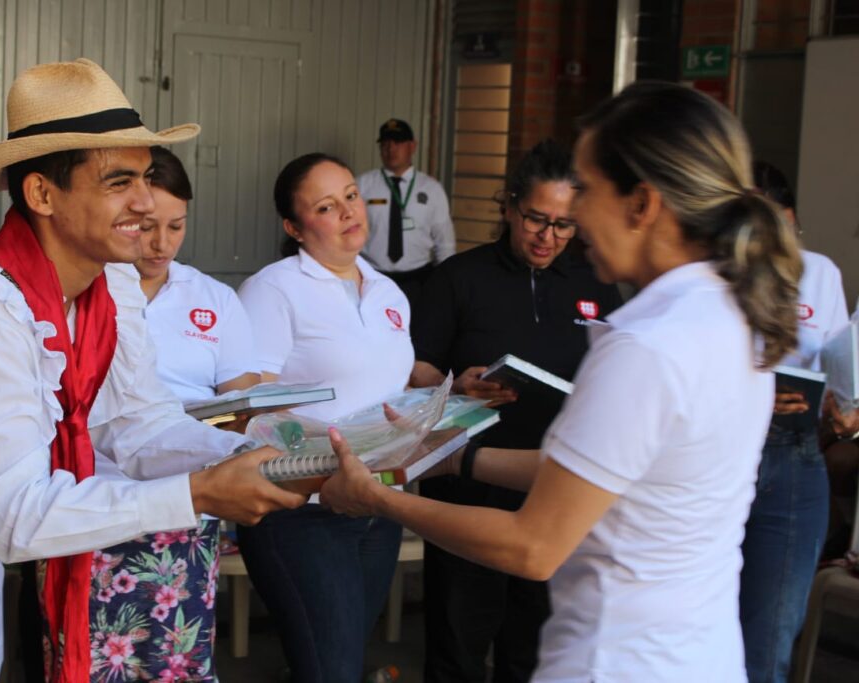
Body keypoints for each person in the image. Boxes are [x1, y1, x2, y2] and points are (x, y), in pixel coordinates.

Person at [0, 58, 303, 683]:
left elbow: (135, 424)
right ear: (42, 194)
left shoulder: (109, 282)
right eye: (118, 181)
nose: (144, 202)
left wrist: (278, 452)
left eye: (144, 176)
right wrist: (198, 493)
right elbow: (16, 515)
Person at [320, 81, 803, 682]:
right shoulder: (730, 315)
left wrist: (376, 498)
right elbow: (612, 472)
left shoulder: (644, 344)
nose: (572, 220)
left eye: (588, 192)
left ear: (642, 204)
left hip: (619, 659)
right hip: (696, 652)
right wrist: (453, 461)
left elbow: (533, 545)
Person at [410, 139, 622, 683]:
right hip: (468, 481)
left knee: (536, 649)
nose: (548, 237)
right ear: (508, 206)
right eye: (535, 219)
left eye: (564, 225)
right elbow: (418, 370)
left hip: (557, 486)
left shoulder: (595, 282)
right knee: (457, 644)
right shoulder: (459, 277)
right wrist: (459, 385)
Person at [236, 152, 413, 682]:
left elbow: (383, 376)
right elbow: (249, 404)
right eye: (326, 206)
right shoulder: (273, 289)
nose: (347, 211)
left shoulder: (387, 291)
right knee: (331, 667)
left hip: (378, 499)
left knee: (338, 658)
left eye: (351, 196)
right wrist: (332, 446)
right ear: (294, 227)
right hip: (303, 506)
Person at [90, 146, 259, 682]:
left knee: (174, 661)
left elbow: (243, 402)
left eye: (176, 226)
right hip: (96, 497)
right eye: (144, 226)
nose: (160, 243)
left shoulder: (212, 297)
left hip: (188, 500)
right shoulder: (88, 289)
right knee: (95, 660)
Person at [738, 161, 848, 683]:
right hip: (724, 450)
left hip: (794, 453)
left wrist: (838, 405)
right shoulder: (712, 276)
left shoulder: (821, 273)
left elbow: (837, 363)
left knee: (770, 640)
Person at [358, 118, 454, 307]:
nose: (391, 149)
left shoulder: (431, 189)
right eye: (385, 144)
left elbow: (445, 243)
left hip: (418, 281)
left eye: (398, 143)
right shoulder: (362, 185)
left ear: (412, 146)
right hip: (372, 278)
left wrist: (448, 284)